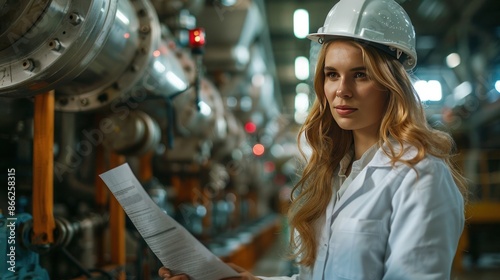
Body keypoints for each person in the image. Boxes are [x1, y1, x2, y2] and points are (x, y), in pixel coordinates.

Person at [159, 0, 468, 279]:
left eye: (360, 75)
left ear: (392, 84)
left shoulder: (420, 176)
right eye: (332, 74)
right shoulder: (331, 174)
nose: (341, 90)